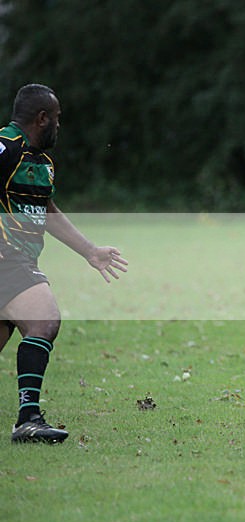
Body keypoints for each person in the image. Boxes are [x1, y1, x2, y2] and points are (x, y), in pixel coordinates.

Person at [0, 84, 128, 443]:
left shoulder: (41, 162)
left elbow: (49, 213)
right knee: (43, 320)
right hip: (8, 263)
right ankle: (28, 419)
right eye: (57, 118)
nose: (59, 125)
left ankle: (28, 419)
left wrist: (90, 250)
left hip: (18, 260)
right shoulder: (6, 147)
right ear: (42, 118)